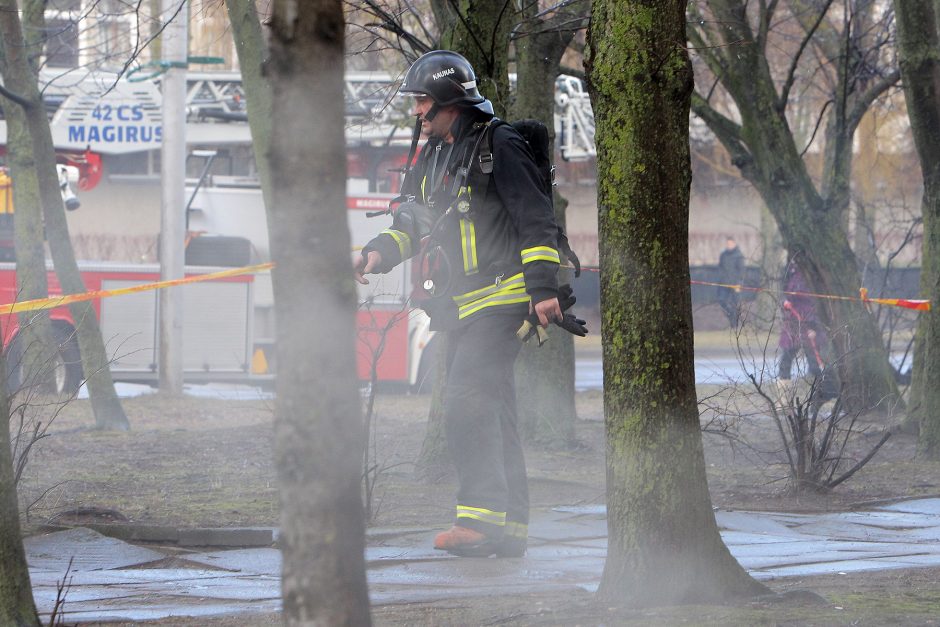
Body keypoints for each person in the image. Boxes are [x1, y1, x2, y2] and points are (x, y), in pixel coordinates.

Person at [354, 50, 566, 558]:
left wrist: (542, 288)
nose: (416, 112)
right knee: (495, 409)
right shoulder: (434, 157)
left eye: (422, 100)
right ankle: (511, 527)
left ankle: (478, 518)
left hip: (505, 297)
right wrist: (378, 252)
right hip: (463, 305)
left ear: (450, 100)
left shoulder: (500, 144)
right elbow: (415, 222)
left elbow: (534, 216)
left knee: (466, 401)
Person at [777, 259, 836, 400]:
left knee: (814, 364)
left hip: (809, 325)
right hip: (792, 324)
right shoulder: (789, 271)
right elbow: (784, 292)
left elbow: (818, 303)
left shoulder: (812, 274)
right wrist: (784, 301)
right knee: (785, 361)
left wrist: (814, 327)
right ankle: (784, 400)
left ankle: (821, 395)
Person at [716, 236, 744, 327]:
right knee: (722, 300)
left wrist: (739, 284)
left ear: (734, 244)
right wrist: (720, 279)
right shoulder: (723, 255)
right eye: (727, 244)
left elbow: (741, 271)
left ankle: (735, 325)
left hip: (735, 284)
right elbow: (720, 267)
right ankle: (731, 314)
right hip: (723, 283)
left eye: (730, 243)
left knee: (735, 304)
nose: (729, 245)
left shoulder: (739, 255)